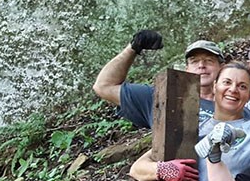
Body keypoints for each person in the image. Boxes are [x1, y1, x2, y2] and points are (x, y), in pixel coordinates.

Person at [93, 31, 229, 128]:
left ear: (222, 67)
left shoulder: (239, 100)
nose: (201, 65)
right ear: (186, 69)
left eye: (209, 60)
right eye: (194, 61)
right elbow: (103, 86)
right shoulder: (162, 98)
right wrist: (133, 47)